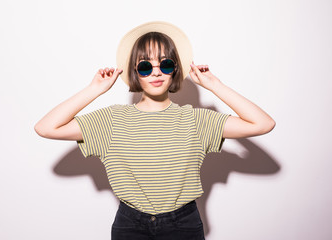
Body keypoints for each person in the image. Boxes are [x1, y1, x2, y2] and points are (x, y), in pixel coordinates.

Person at [34, 21, 275, 240]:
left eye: (166, 64)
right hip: (130, 225)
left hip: (184, 225)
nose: (157, 72)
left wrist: (216, 86)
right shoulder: (112, 120)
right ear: (134, 72)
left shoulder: (195, 119)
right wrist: (94, 90)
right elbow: (45, 128)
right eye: (145, 66)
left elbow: (262, 124)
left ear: (176, 69)